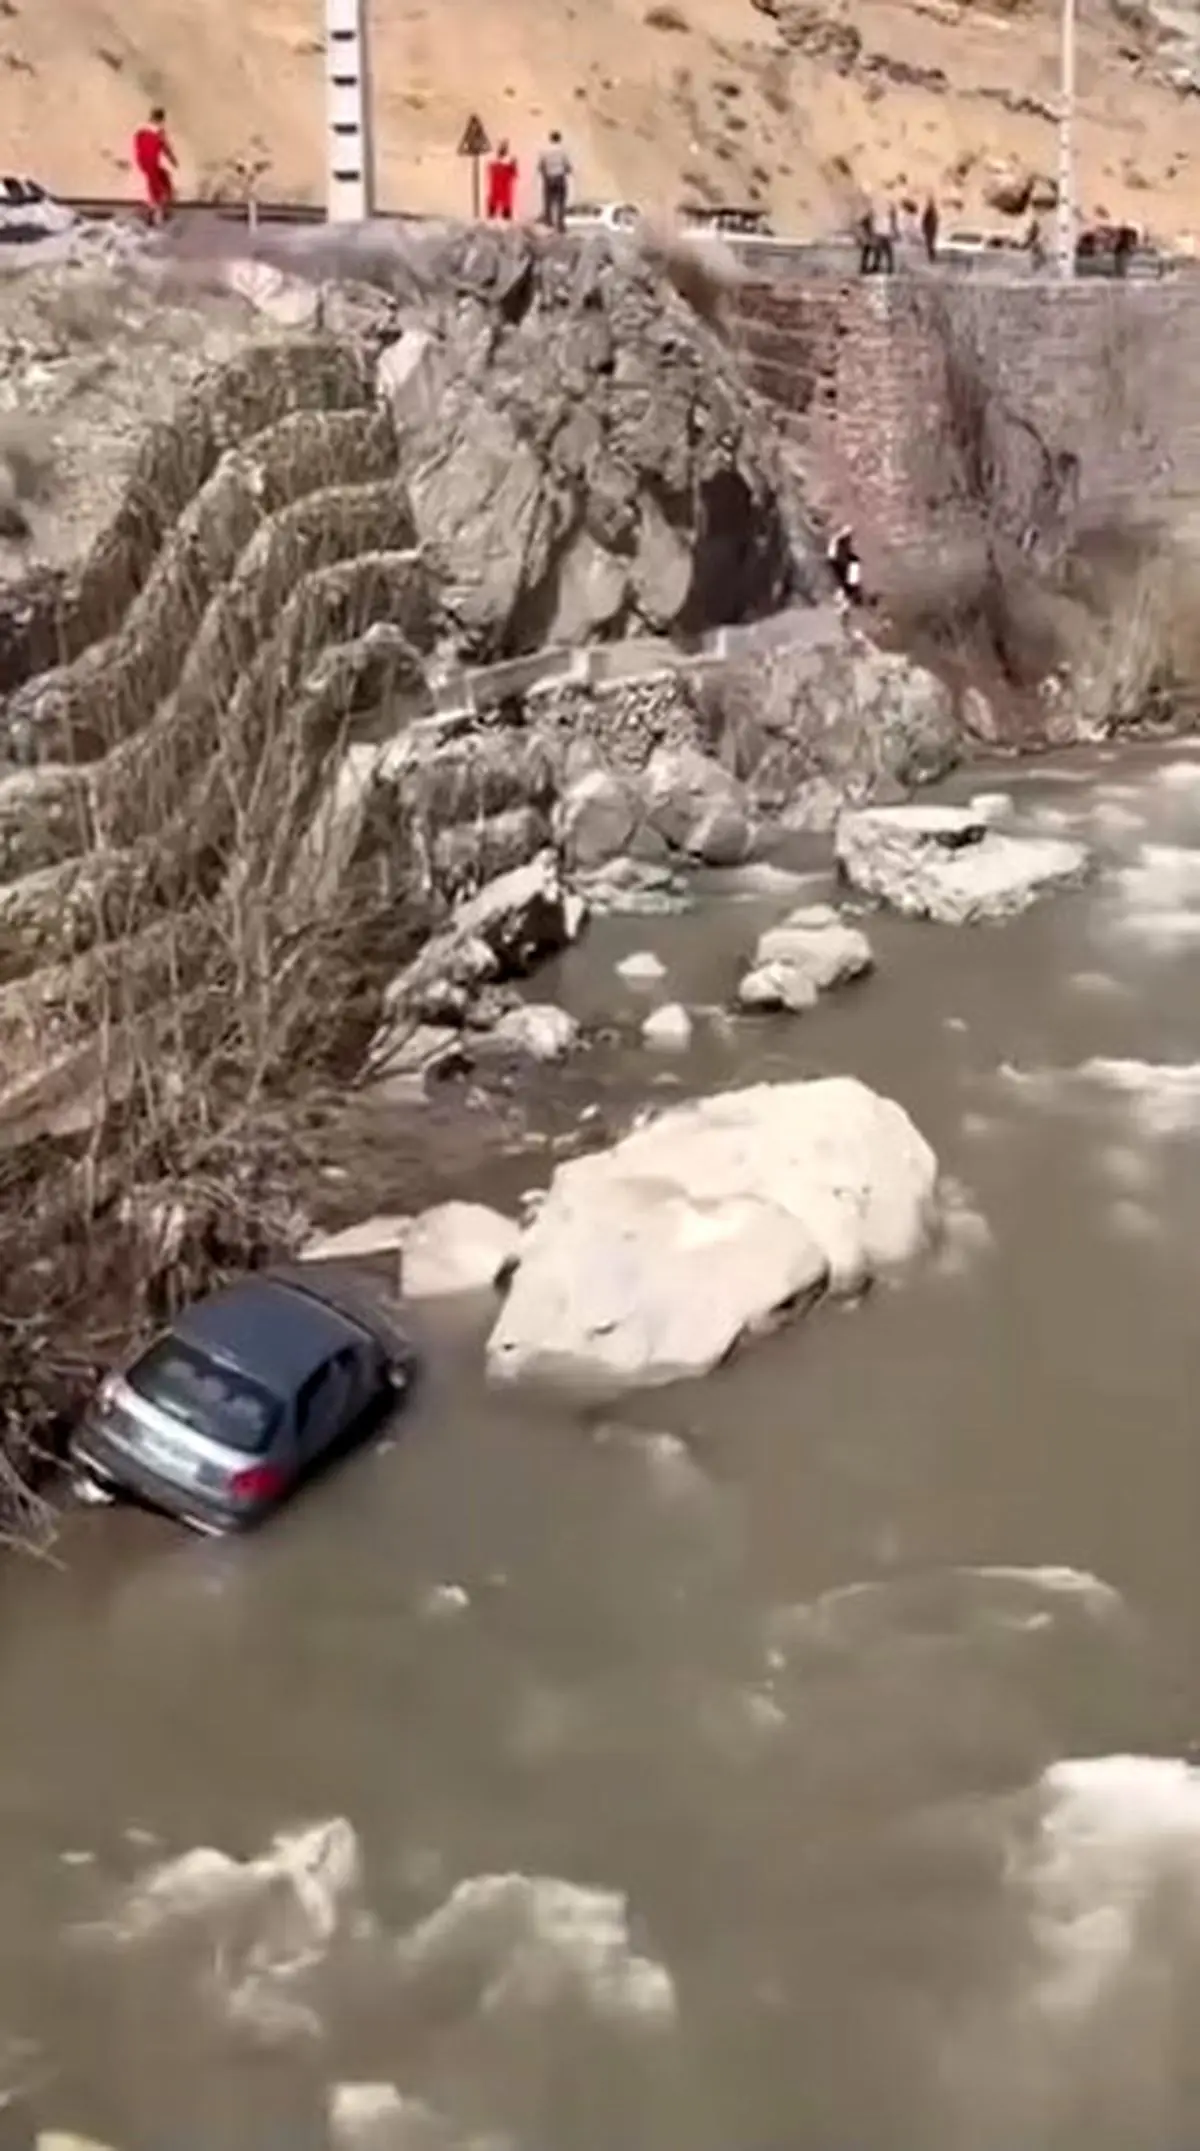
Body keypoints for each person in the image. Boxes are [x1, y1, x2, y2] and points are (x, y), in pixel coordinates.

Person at [132, 106, 177, 225]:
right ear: (161, 118)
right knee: (160, 186)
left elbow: (138, 144)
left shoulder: (141, 129)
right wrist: (173, 160)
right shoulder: (158, 130)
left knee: (161, 180)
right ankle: (155, 213)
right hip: (150, 162)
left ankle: (158, 210)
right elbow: (164, 147)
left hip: (143, 161)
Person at [538, 130, 572, 232]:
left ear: (550, 139)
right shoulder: (563, 151)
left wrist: (545, 176)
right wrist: (567, 171)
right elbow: (567, 166)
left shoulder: (544, 151)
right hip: (559, 178)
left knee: (548, 200)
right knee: (561, 202)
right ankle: (560, 224)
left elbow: (541, 166)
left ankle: (548, 222)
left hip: (549, 178)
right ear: (559, 139)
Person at [827, 525, 862, 612]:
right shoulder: (837, 540)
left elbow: (834, 552)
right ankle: (845, 601)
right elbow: (833, 553)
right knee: (845, 582)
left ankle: (845, 601)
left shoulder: (838, 540)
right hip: (839, 562)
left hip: (840, 562)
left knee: (845, 582)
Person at [485, 139, 519, 221]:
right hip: (502, 190)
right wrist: (513, 165)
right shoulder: (508, 163)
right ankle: (497, 221)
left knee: (495, 210)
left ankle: (492, 221)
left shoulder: (494, 163)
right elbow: (514, 174)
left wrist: (513, 166)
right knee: (501, 210)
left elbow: (514, 174)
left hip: (498, 190)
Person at [921, 193, 939, 264]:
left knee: (930, 243)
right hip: (930, 229)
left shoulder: (931, 210)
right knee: (930, 243)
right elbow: (925, 220)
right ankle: (932, 255)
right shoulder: (930, 210)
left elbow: (925, 220)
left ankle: (931, 255)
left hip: (931, 229)